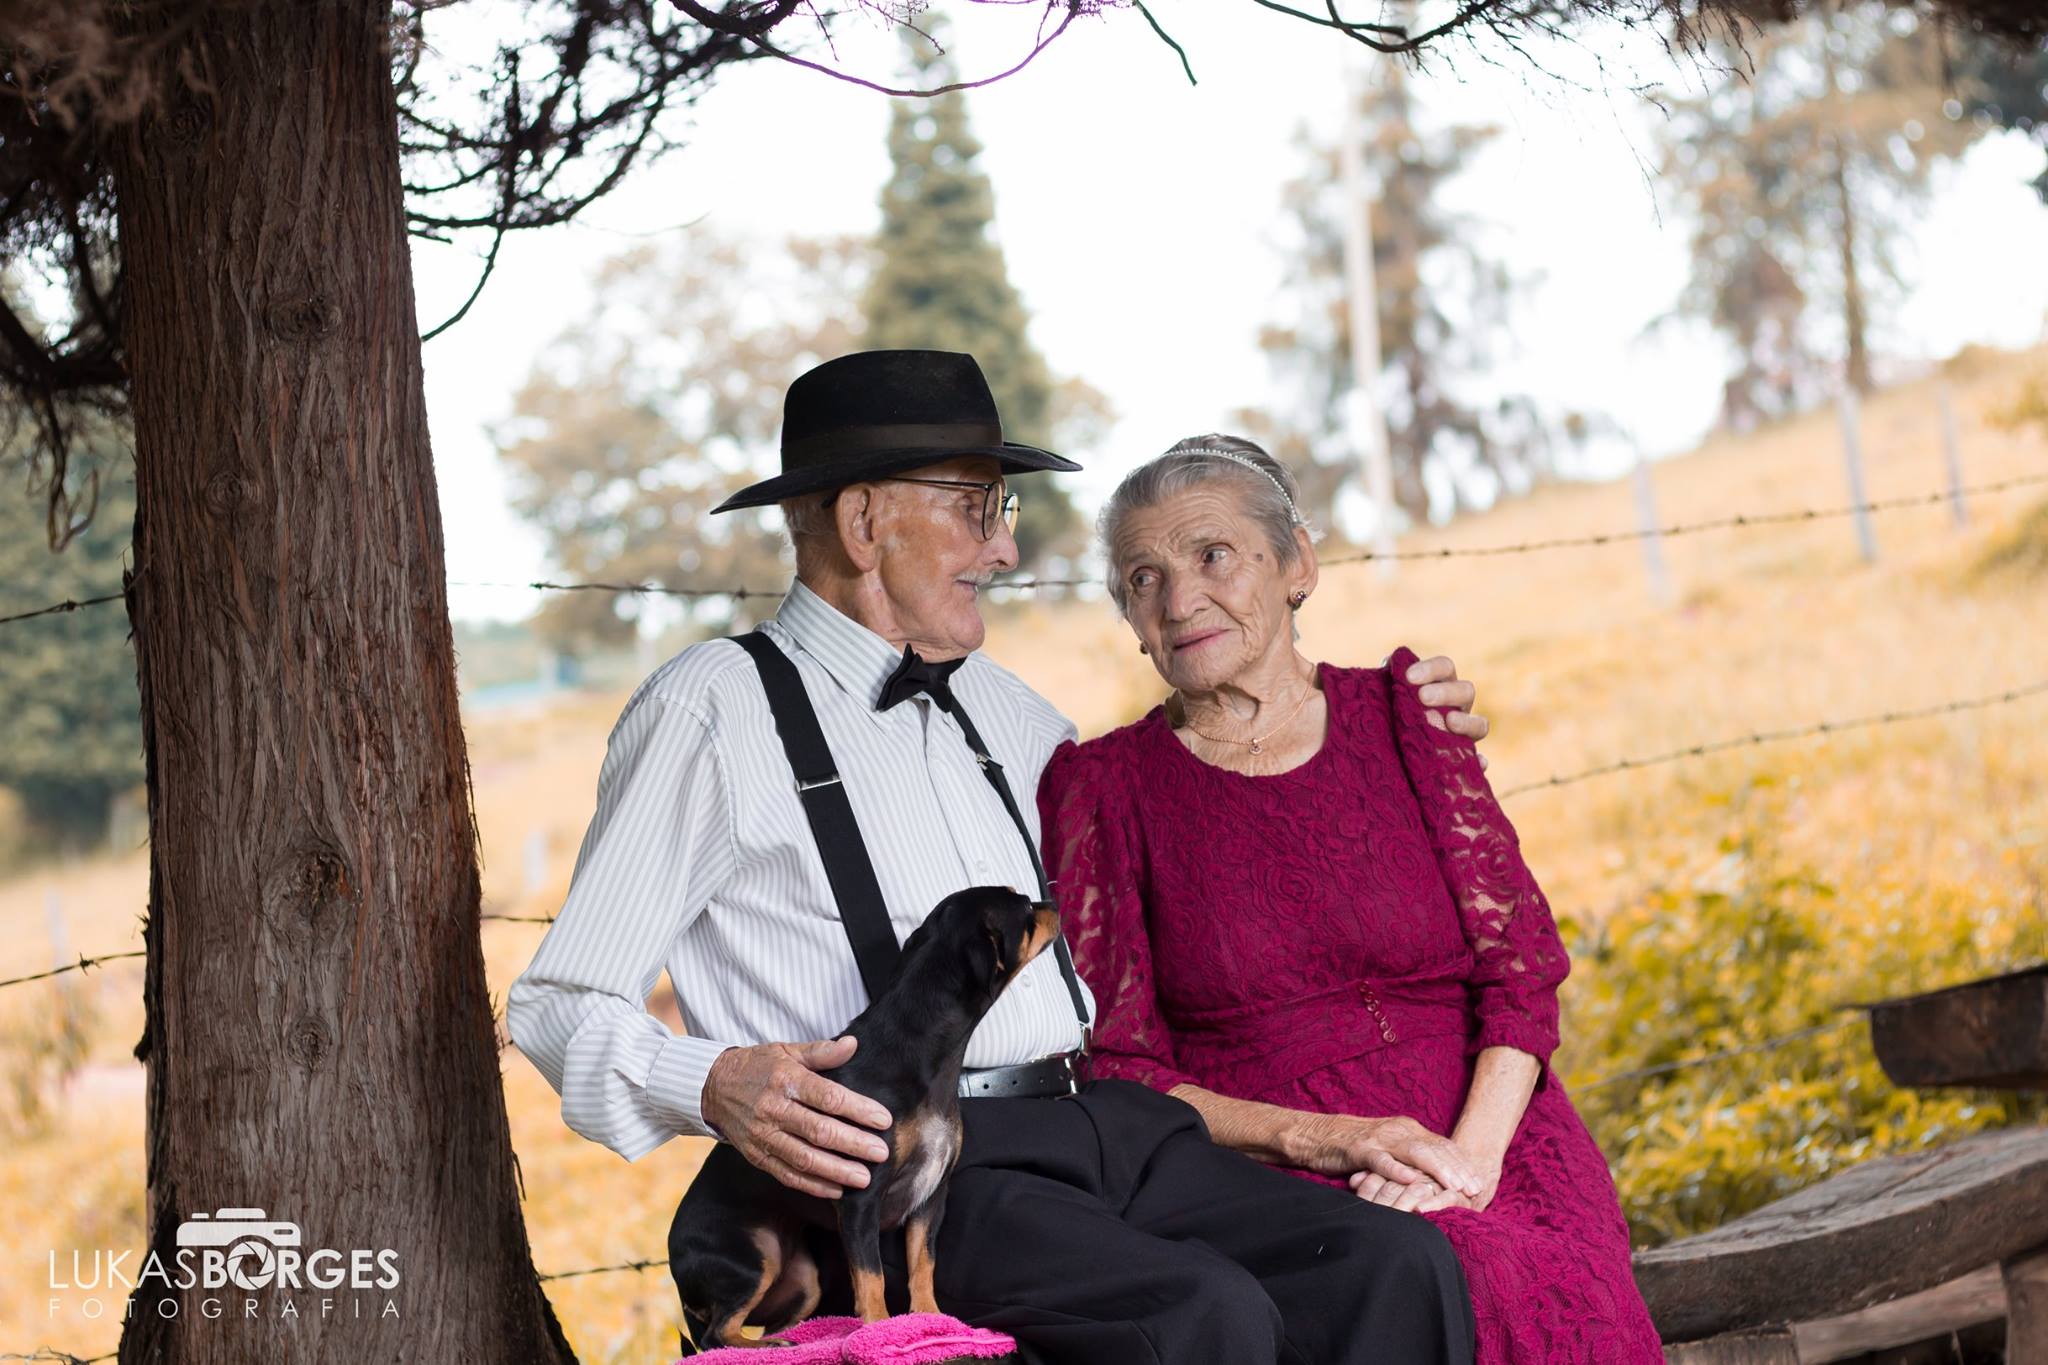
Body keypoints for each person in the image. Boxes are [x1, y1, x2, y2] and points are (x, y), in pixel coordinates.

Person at [506, 353, 1487, 1365]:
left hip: (1099, 1125)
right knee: (1198, 1317)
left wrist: (1383, 726)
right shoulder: (707, 712)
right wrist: (709, 1080)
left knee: (1390, 1266)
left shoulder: (1013, 713)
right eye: (979, 508)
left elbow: (1205, 785)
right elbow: (557, 1002)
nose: (1007, 547)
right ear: (863, 525)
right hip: (920, 1182)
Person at [1037, 434, 1665, 1365]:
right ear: (1129, 619)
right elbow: (1125, 1068)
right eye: (1141, 577)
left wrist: (1472, 1161)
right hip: (1286, 1170)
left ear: (1298, 564)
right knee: (1443, 1273)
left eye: (1212, 555)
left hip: (1493, 1130)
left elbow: (1521, 974)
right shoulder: (1105, 789)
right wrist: (1327, 1140)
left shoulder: (1408, 715)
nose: (1179, 600)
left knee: (1538, 1271)